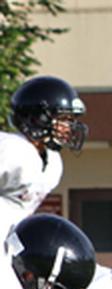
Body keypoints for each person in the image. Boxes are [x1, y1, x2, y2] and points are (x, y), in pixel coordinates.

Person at [0, 76, 87, 236]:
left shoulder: (53, 163)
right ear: (37, 119)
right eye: (63, 119)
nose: (68, 127)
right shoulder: (10, 149)